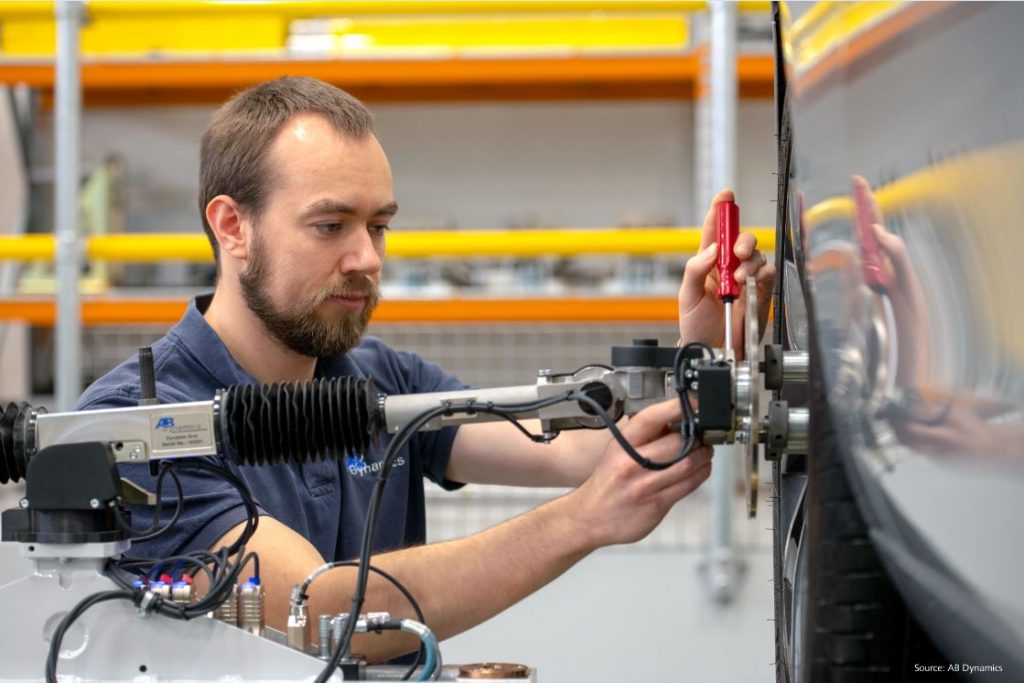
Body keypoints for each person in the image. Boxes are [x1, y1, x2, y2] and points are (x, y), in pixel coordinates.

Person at [77, 77, 774, 661]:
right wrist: (582, 520)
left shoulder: (380, 379)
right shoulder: (140, 426)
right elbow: (317, 609)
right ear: (233, 227)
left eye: (378, 225)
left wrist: (701, 362)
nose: (368, 259)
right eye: (330, 226)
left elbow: (593, 450)